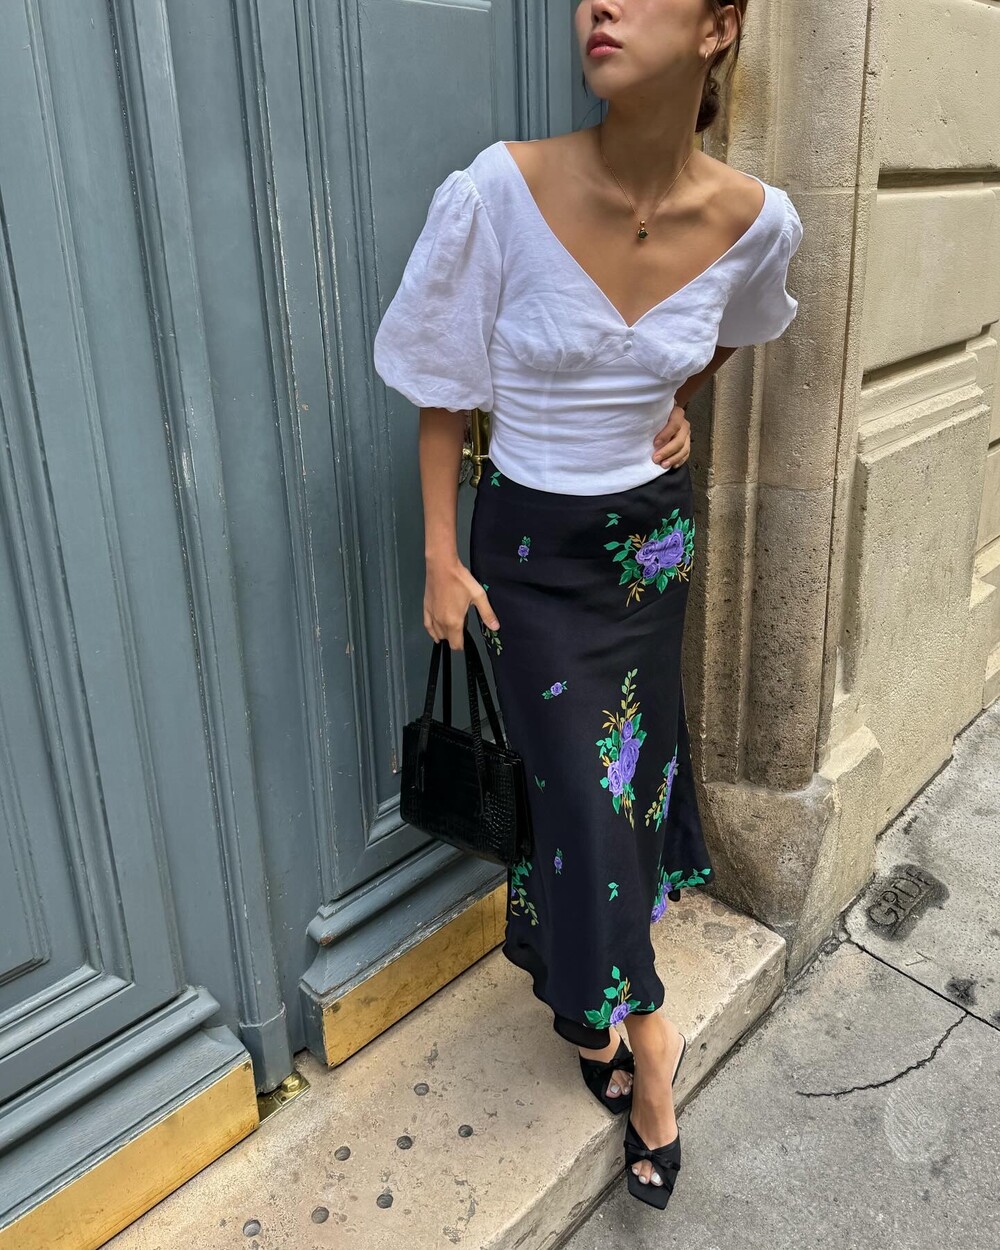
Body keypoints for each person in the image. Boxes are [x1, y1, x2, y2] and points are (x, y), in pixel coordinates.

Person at [373, 0, 802, 1211]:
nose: (598, 4)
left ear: (718, 28)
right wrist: (440, 555)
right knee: (576, 793)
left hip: (648, 551)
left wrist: (675, 399)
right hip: (527, 556)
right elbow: (442, 387)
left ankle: (600, 1003)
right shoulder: (499, 192)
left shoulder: (755, 220)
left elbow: (731, 328)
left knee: (624, 790)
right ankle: (646, 1026)